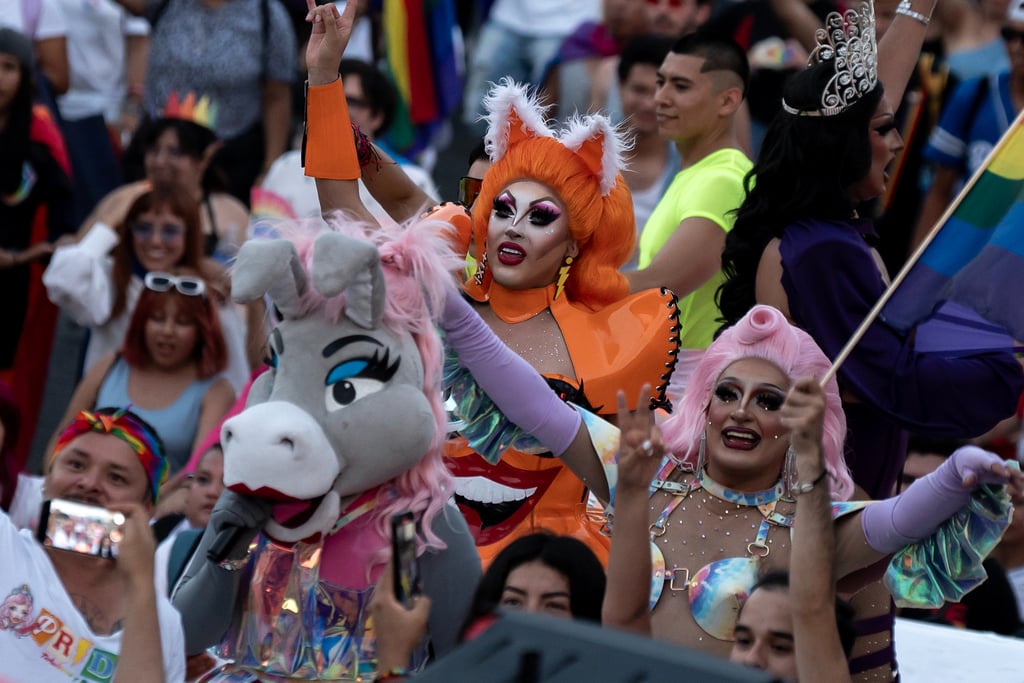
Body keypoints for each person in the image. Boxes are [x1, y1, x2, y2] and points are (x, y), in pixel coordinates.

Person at [305, 1, 680, 566]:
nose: (514, 226)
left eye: (541, 217)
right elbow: (343, 207)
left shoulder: (606, 342)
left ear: (575, 243)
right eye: (504, 209)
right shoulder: (433, 294)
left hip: (537, 579)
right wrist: (324, 77)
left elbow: (635, 487)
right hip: (410, 557)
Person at [718, 0, 1024, 500]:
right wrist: (1003, 370)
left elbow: (873, 100)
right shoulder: (822, 252)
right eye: (883, 130)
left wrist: (916, 9)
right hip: (835, 490)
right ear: (840, 148)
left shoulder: (823, 236)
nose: (899, 142)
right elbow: (887, 378)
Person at [601, 304, 1022, 668]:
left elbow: (899, 519)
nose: (742, 411)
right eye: (727, 393)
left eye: (769, 401)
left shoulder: (818, 530)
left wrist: (963, 467)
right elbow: (544, 412)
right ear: (705, 404)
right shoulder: (645, 477)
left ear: (803, 422)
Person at [0, 406, 185, 682]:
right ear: (48, 478)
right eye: (76, 464)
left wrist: (140, 582)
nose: (89, 483)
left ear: (147, 508)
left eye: (116, 477)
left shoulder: (163, 623)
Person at [624, 32, 751, 396]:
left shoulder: (724, 178)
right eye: (661, 82)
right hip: (666, 374)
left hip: (688, 386)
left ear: (728, 101)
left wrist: (560, 282)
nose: (659, 97)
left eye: (680, 86)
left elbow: (660, 286)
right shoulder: (699, 172)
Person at [44, 186, 251, 393]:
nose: (155, 241)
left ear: (189, 234)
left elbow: (236, 374)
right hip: (111, 417)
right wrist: (107, 224)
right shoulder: (112, 279)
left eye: (170, 231)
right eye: (143, 228)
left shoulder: (203, 290)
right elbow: (61, 280)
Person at [47, 269, 235, 473]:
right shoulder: (109, 366)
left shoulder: (218, 391)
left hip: (160, 504)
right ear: (141, 322)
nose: (167, 331)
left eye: (182, 322)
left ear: (202, 329)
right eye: (157, 318)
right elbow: (62, 439)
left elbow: (196, 474)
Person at [115, 0, 297, 206]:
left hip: (230, 161)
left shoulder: (268, 14)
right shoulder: (166, 3)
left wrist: (270, 169)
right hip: (159, 154)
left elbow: (277, 96)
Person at [0, 27, 74, 474]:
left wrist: (31, 255)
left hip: (14, 281)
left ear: (25, 75)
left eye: (8, 68)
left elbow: (64, 211)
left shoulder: (39, 133)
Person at [913, 0, 1023, 249]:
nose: (1016, 46)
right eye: (1009, 35)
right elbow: (939, 191)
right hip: (970, 256)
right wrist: (918, 274)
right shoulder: (975, 94)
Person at [613, 34, 680, 269]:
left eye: (658, 91)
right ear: (620, 87)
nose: (649, 103)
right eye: (639, 90)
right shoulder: (586, 152)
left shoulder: (688, 165)